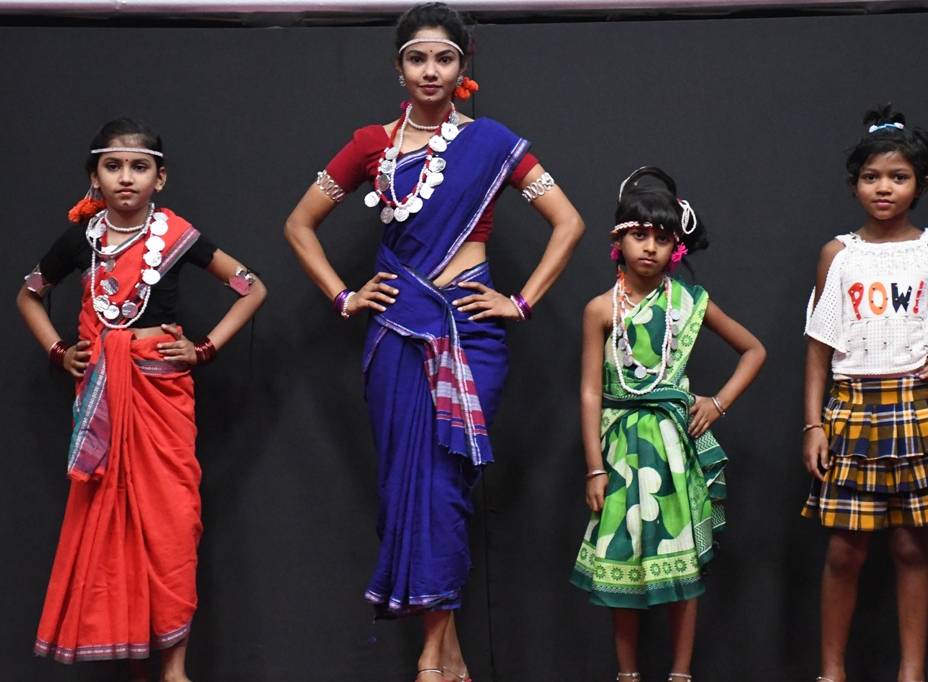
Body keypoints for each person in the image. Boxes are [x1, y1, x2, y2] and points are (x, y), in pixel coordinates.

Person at [282, 3, 584, 680]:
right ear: (398, 66)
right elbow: (300, 225)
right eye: (417, 58)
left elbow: (567, 222)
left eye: (444, 58)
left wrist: (521, 300)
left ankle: (432, 655)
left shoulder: (494, 143)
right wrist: (344, 293)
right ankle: (442, 655)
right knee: (404, 484)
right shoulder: (369, 146)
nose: (430, 70)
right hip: (396, 329)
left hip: (471, 331)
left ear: (462, 66)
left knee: (445, 485)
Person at [19, 117, 266, 682]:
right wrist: (60, 351)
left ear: (160, 178)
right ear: (94, 177)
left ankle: (173, 671)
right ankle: (135, 662)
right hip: (105, 399)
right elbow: (29, 295)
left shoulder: (176, 235)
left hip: (161, 395)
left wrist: (203, 349)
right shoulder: (80, 241)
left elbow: (252, 288)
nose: (125, 178)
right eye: (113, 166)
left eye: (139, 167)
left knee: (172, 524)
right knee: (115, 527)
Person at [801, 105, 928, 682]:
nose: (884, 188)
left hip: (917, 411)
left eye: (898, 177)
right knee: (845, 550)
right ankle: (831, 671)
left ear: (921, 185)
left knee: (910, 548)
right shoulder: (838, 255)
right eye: (872, 177)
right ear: (854, 184)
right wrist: (813, 425)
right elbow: (817, 345)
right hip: (853, 411)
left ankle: (910, 673)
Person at [570, 167, 765, 682]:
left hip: (674, 450)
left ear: (676, 247)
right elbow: (591, 391)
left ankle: (681, 673)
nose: (649, 248)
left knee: (682, 565)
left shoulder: (689, 304)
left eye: (661, 238)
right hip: (619, 451)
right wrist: (594, 468)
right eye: (639, 235)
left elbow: (753, 349)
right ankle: (627, 673)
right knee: (622, 555)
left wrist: (717, 403)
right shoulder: (599, 310)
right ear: (618, 240)